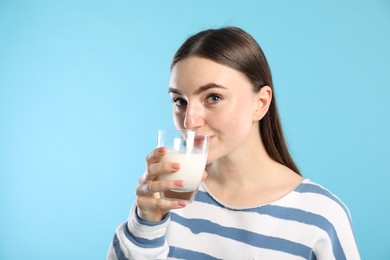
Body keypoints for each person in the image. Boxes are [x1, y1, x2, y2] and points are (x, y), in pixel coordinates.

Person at [107, 26, 360, 260]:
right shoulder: (166, 199)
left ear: (260, 103)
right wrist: (145, 223)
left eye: (213, 97)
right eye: (179, 101)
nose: (189, 121)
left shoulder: (321, 216)